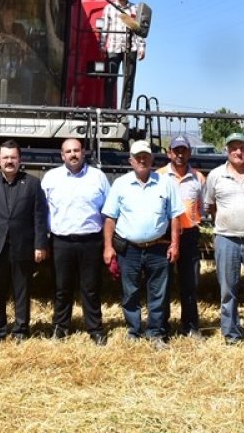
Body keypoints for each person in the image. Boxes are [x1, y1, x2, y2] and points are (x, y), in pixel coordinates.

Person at [103, 140, 185, 347]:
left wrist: (175, 245)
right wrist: (108, 247)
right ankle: (134, 330)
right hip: (128, 248)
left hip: (158, 246)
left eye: (145, 156)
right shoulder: (120, 184)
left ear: (152, 159)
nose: (142, 159)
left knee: (158, 292)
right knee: (130, 292)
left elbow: (175, 217)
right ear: (130, 160)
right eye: (137, 156)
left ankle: (156, 332)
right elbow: (110, 218)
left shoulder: (166, 183)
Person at [0, 140, 49, 343]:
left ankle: (21, 331)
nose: (9, 161)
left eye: (13, 157)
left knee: (22, 292)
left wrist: (40, 244)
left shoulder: (33, 184)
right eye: (5, 157)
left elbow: (39, 216)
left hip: (23, 247)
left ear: (20, 160)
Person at [203, 131, 244, 344]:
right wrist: (226, 222)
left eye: (241, 147)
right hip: (226, 239)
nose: (238, 151)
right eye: (233, 148)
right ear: (227, 150)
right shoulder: (215, 175)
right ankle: (231, 334)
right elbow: (211, 206)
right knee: (227, 289)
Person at [42, 138, 111, 345]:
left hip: (91, 241)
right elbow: (42, 210)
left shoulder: (98, 177)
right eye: (68, 151)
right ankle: (60, 328)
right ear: (62, 155)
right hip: (61, 241)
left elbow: (108, 211)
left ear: (83, 153)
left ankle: (95, 329)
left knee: (90, 288)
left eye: (76, 150)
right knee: (62, 288)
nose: (73, 154)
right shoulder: (51, 178)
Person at [157, 135, 206, 338]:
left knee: (190, 283)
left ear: (189, 152)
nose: (179, 154)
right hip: (165, 235)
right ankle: (163, 328)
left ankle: (191, 326)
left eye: (183, 150)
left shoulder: (199, 178)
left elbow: (202, 207)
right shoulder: (159, 176)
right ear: (169, 153)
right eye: (176, 150)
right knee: (163, 284)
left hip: (189, 235)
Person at [102, 0, 146, 109]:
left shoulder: (135, 9)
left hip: (130, 47)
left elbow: (139, 30)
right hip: (113, 48)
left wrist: (141, 47)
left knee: (129, 81)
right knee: (110, 79)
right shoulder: (109, 8)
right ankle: (108, 110)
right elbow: (104, 29)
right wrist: (101, 46)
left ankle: (123, 111)